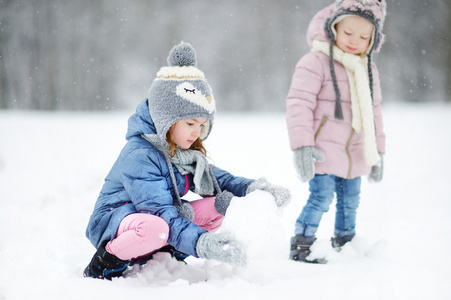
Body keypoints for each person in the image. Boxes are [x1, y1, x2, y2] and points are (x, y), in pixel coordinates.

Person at [83, 42, 291, 280]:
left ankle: (167, 252)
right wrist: (203, 243)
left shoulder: (183, 152)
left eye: (201, 125)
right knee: (157, 228)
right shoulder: (139, 155)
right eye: (190, 124)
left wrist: (256, 189)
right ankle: (105, 264)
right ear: (166, 120)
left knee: (220, 205)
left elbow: (219, 180)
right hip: (116, 221)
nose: (196, 133)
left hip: (158, 220)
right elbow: (161, 213)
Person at [286, 0, 387, 263]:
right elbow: (299, 104)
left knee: (351, 200)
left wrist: (377, 151)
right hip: (322, 149)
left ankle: (345, 240)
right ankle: (302, 243)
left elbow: (374, 112)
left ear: (373, 39)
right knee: (321, 198)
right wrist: (303, 146)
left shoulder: (368, 69)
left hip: (354, 151)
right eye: (348, 33)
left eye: (364, 36)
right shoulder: (314, 62)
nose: (355, 41)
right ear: (333, 29)